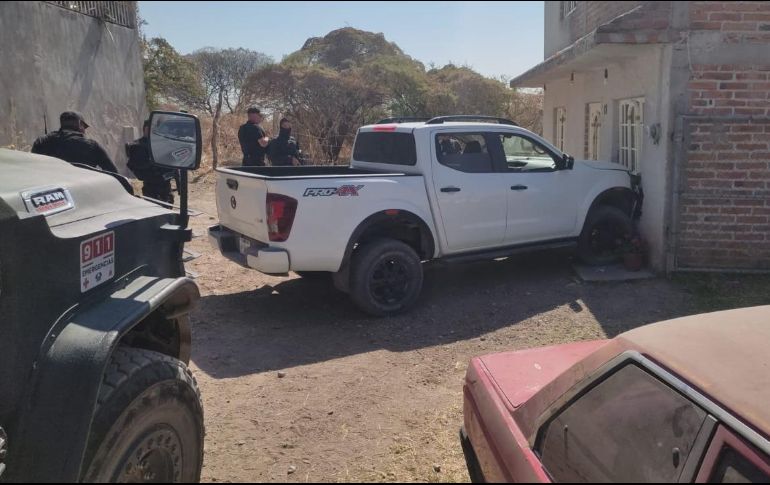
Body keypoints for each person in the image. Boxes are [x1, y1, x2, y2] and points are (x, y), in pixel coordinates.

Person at [31, 111, 118, 173]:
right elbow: (113, 172)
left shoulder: (42, 141)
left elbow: (33, 168)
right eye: (84, 127)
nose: (84, 130)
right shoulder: (92, 146)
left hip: (51, 193)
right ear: (80, 124)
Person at [126, 120, 176, 204]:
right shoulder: (138, 146)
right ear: (146, 129)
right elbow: (136, 167)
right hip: (151, 188)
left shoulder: (163, 144)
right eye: (151, 129)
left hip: (165, 187)